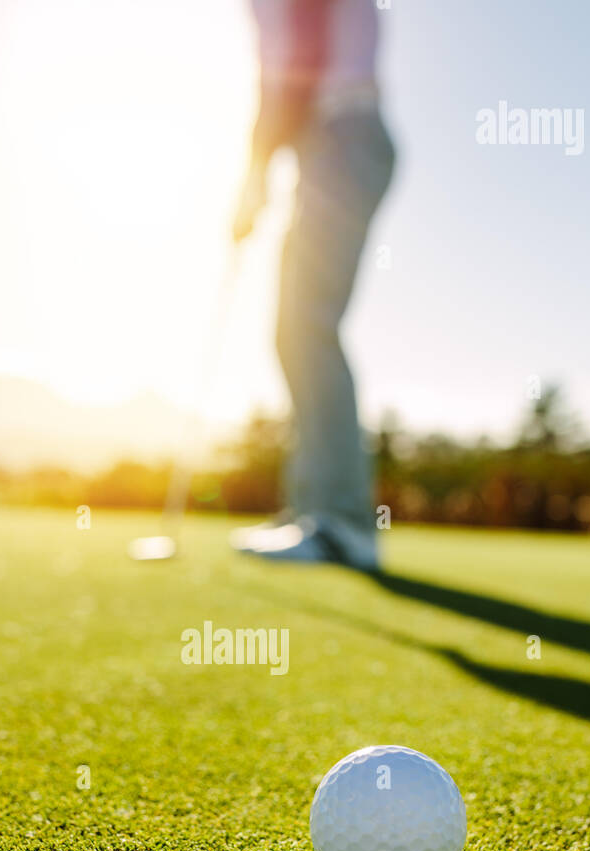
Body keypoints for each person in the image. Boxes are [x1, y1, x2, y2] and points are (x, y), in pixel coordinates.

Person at [231, 0, 395, 572]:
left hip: (340, 135)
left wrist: (255, 173)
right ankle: (312, 509)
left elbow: (296, 64)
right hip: (327, 144)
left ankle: (341, 524)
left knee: (306, 327)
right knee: (292, 332)